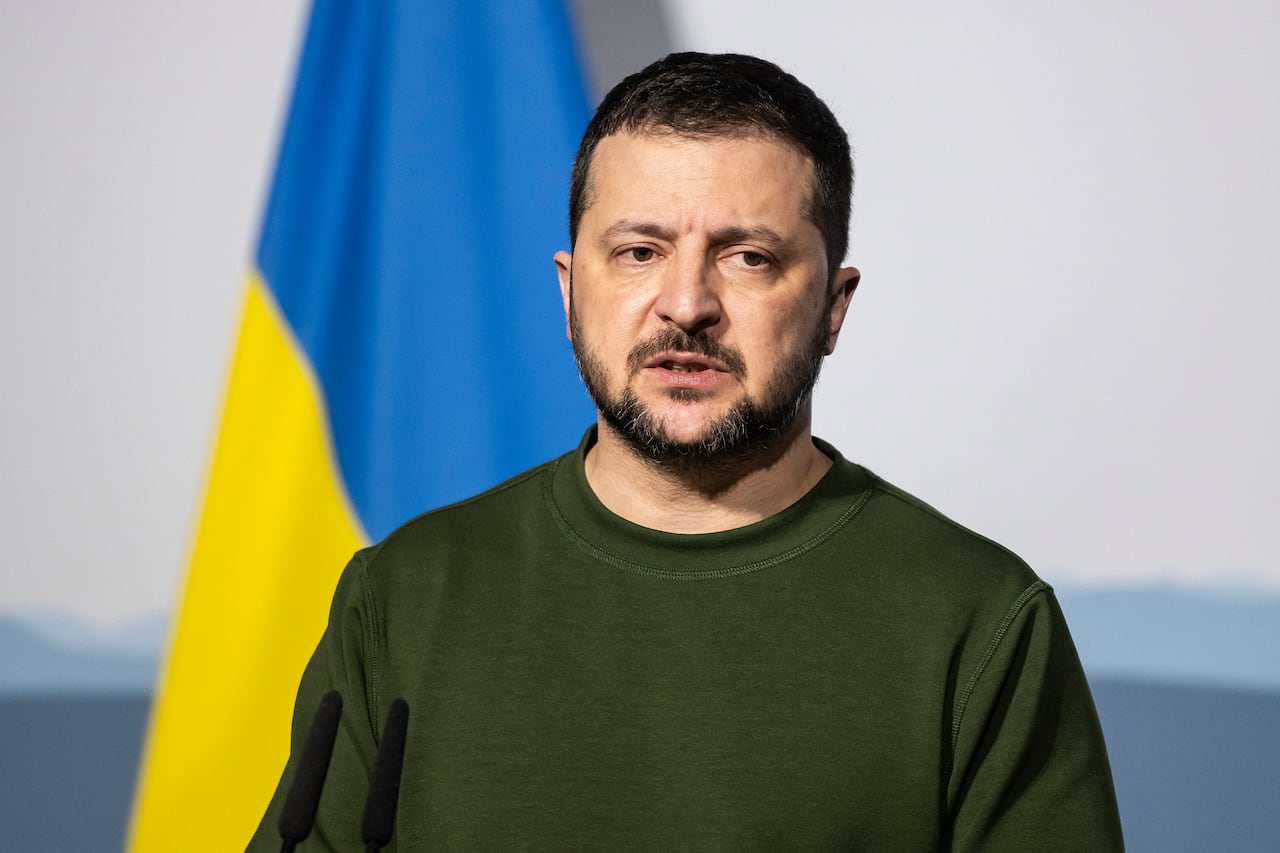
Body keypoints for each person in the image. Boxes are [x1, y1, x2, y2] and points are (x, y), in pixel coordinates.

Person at [248, 52, 1123, 851]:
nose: (686, 303)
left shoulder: (978, 619)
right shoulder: (404, 594)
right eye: (640, 251)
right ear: (570, 292)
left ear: (833, 306)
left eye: (747, 257)